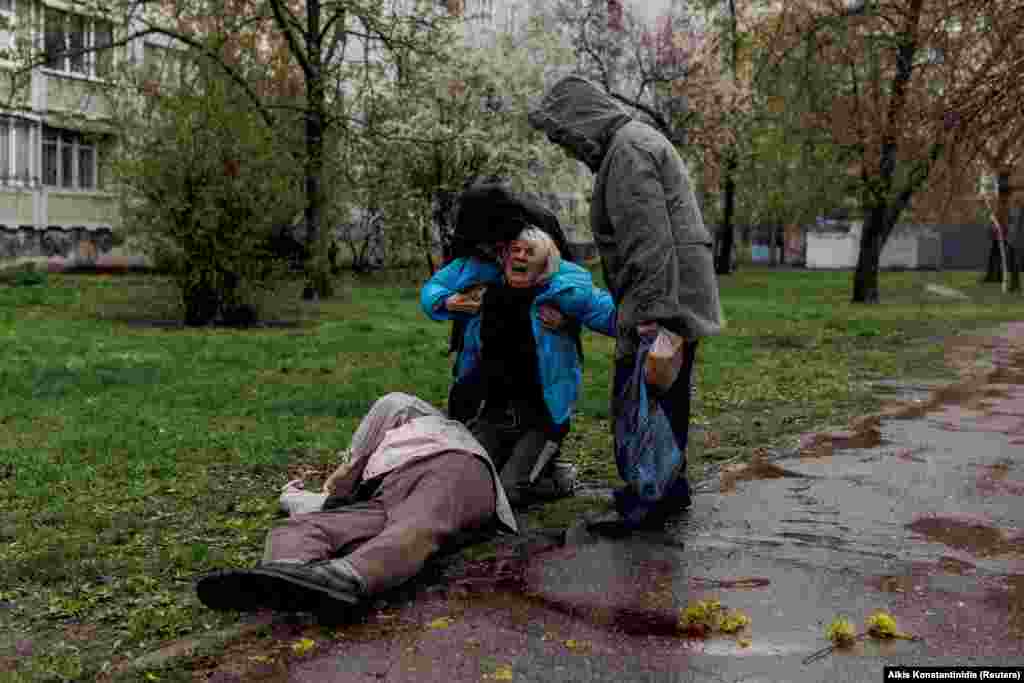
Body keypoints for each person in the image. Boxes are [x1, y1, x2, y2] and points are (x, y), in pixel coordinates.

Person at [528, 75, 723, 528]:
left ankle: (650, 499)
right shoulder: (629, 146)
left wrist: (654, 320)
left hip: (663, 297)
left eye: (563, 135)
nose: (565, 147)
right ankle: (666, 489)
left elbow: (649, 243)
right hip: (674, 293)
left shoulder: (627, 152)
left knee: (646, 396)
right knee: (663, 395)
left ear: (581, 119)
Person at [195, 393, 516, 615]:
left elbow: (390, 405)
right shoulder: (379, 467)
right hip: (387, 495)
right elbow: (328, 505)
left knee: (417, 523)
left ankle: (347, 577)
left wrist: (345, 469)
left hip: (449, 468)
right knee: (299, 527)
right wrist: (291, 497)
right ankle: (288, 575)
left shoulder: (431, 423)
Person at [421, 223, 616, 506]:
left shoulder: (560, 296)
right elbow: (433, 290)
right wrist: (448, 300)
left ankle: (557, 478)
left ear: (545, 263)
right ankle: (529, 465)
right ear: (504, 255)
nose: (521, 256)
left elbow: (607, 311)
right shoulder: (485, 293)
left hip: (540, 420)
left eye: (530, 252)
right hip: (493, 416)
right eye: (516, 250)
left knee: (509, 493)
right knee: (467, 483)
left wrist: (652, 320)